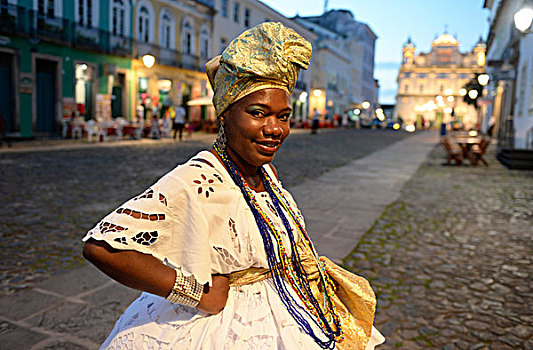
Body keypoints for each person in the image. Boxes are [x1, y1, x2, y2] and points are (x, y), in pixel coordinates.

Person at [82, 22, 384, 350]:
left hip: (285, 308)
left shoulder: (266, 172)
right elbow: (102, 248)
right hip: (222, 328)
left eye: (283, 116)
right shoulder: (200, 177)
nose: (275, 129)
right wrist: (194, 293)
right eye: (258, 113)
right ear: (225, 114)